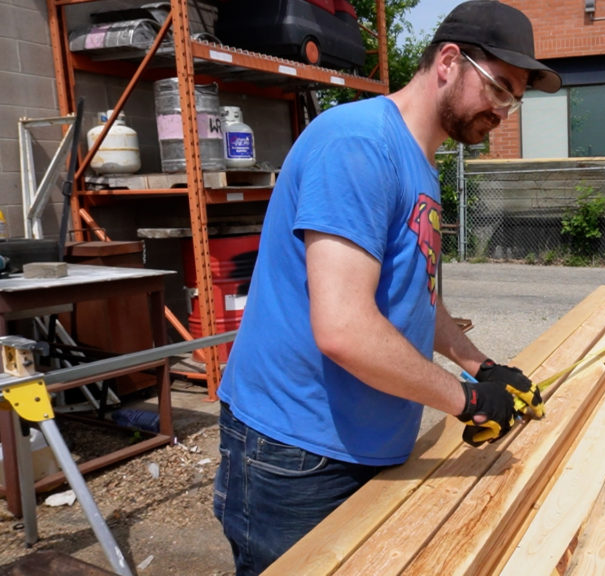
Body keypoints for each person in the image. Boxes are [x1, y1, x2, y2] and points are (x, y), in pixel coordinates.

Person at [212, 1, 562, 573]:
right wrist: (467, 402)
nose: (504, 111)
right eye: (499, 88)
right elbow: (344, 328)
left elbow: (413, 290)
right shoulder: (358, 145)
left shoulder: (419, 161)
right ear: (449, 61)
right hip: (296, 456)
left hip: (361, 446)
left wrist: (482, 366)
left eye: (514, 98)